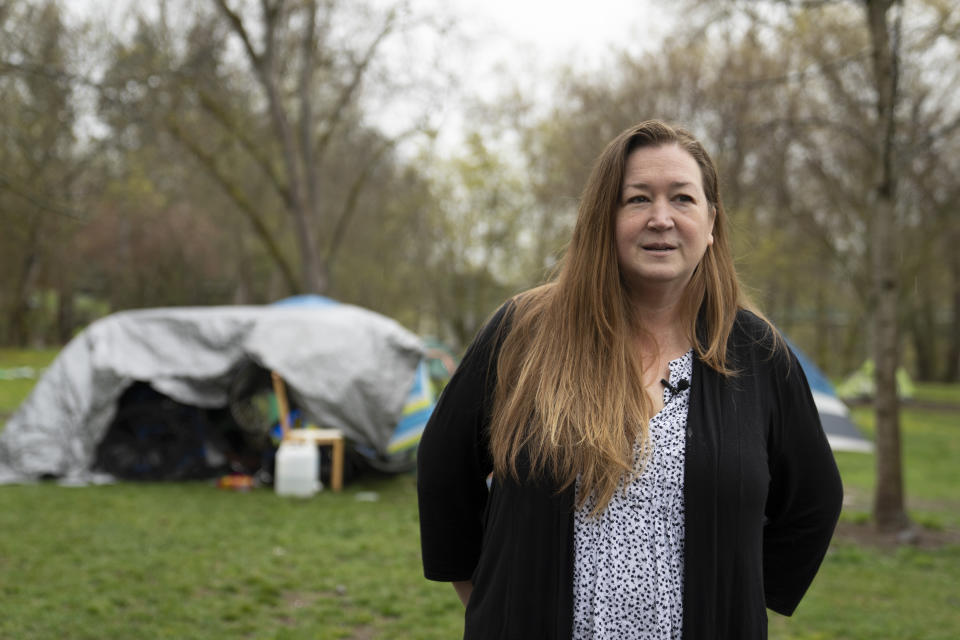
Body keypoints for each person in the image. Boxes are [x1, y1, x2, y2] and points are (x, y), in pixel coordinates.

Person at [417, 120, 843, 639]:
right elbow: (444, 467)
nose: (660, 219)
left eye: (682, 199)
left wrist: (734, 602)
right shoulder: (524, 331)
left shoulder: (757, 352)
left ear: (711, 223)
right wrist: (491, 596)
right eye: (638, 199)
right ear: (604, 218)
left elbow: (814, 498)